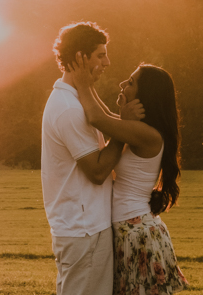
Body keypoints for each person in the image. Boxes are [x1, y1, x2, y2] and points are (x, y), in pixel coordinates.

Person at [73, 61, 190, 294]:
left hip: (136, 234)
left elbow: (97, 118)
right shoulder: (140, 129)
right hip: (132, 229)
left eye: (131, 82)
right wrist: (115, 110)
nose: (122, 84)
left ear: (145, 94)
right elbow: (106, 116)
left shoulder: (147, 134)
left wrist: (82, 83)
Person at [40, 22, 137, 295]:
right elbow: (97, 172)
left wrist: (87, 86)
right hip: (84, 229)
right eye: (100, 55)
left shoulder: (73, 98)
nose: (108, 61)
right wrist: (124, 132)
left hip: (82, 226)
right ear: (80, 58)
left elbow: (103, 117)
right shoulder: (69, 109)